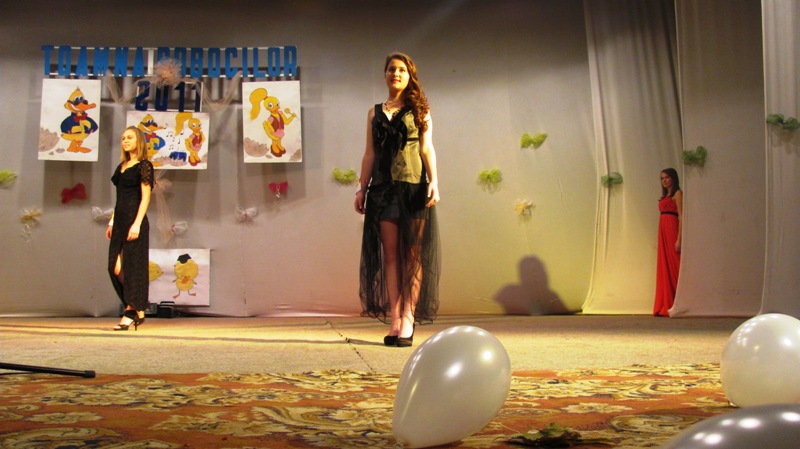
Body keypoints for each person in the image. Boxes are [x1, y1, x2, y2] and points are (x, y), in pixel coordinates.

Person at [354, 52, 441, 347]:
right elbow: (370, 153)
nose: (396, 73)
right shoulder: (374, 112)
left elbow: (427, 149)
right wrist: (361, 188)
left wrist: (434, 182)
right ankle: (395, 317)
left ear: (409, 75)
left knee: (412, 255)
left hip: (413, 187)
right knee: (390, 255)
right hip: (383, 189)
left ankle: (408, 316)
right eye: (392, 69)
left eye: (402, 70)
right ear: (385, 74)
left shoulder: (420, 110)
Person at [106, 126, 154, 330]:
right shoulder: (122, 166)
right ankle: (137, 306)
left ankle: (130, 311)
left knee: (134, 268)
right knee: (114, 267)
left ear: (138, 141)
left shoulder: (144, 166)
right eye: (123, 138)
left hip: (135, 221)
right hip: (119, 221)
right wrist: (112, 220)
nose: (125, 141)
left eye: (130, 137)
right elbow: (119, 199)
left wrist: (137, 223)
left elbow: (145, 198)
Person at [654, 168, 682, 317]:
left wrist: (679, 238)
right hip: (663, 230)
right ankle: (667, 302)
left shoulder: (678, 194)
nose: (664, 180)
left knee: (675, 264)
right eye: (662, 178)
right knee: (665, 266)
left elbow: (682, 216)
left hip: (672, 229)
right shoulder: (666, 196)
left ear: (673, 178)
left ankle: (680, 301)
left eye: (667, 177)